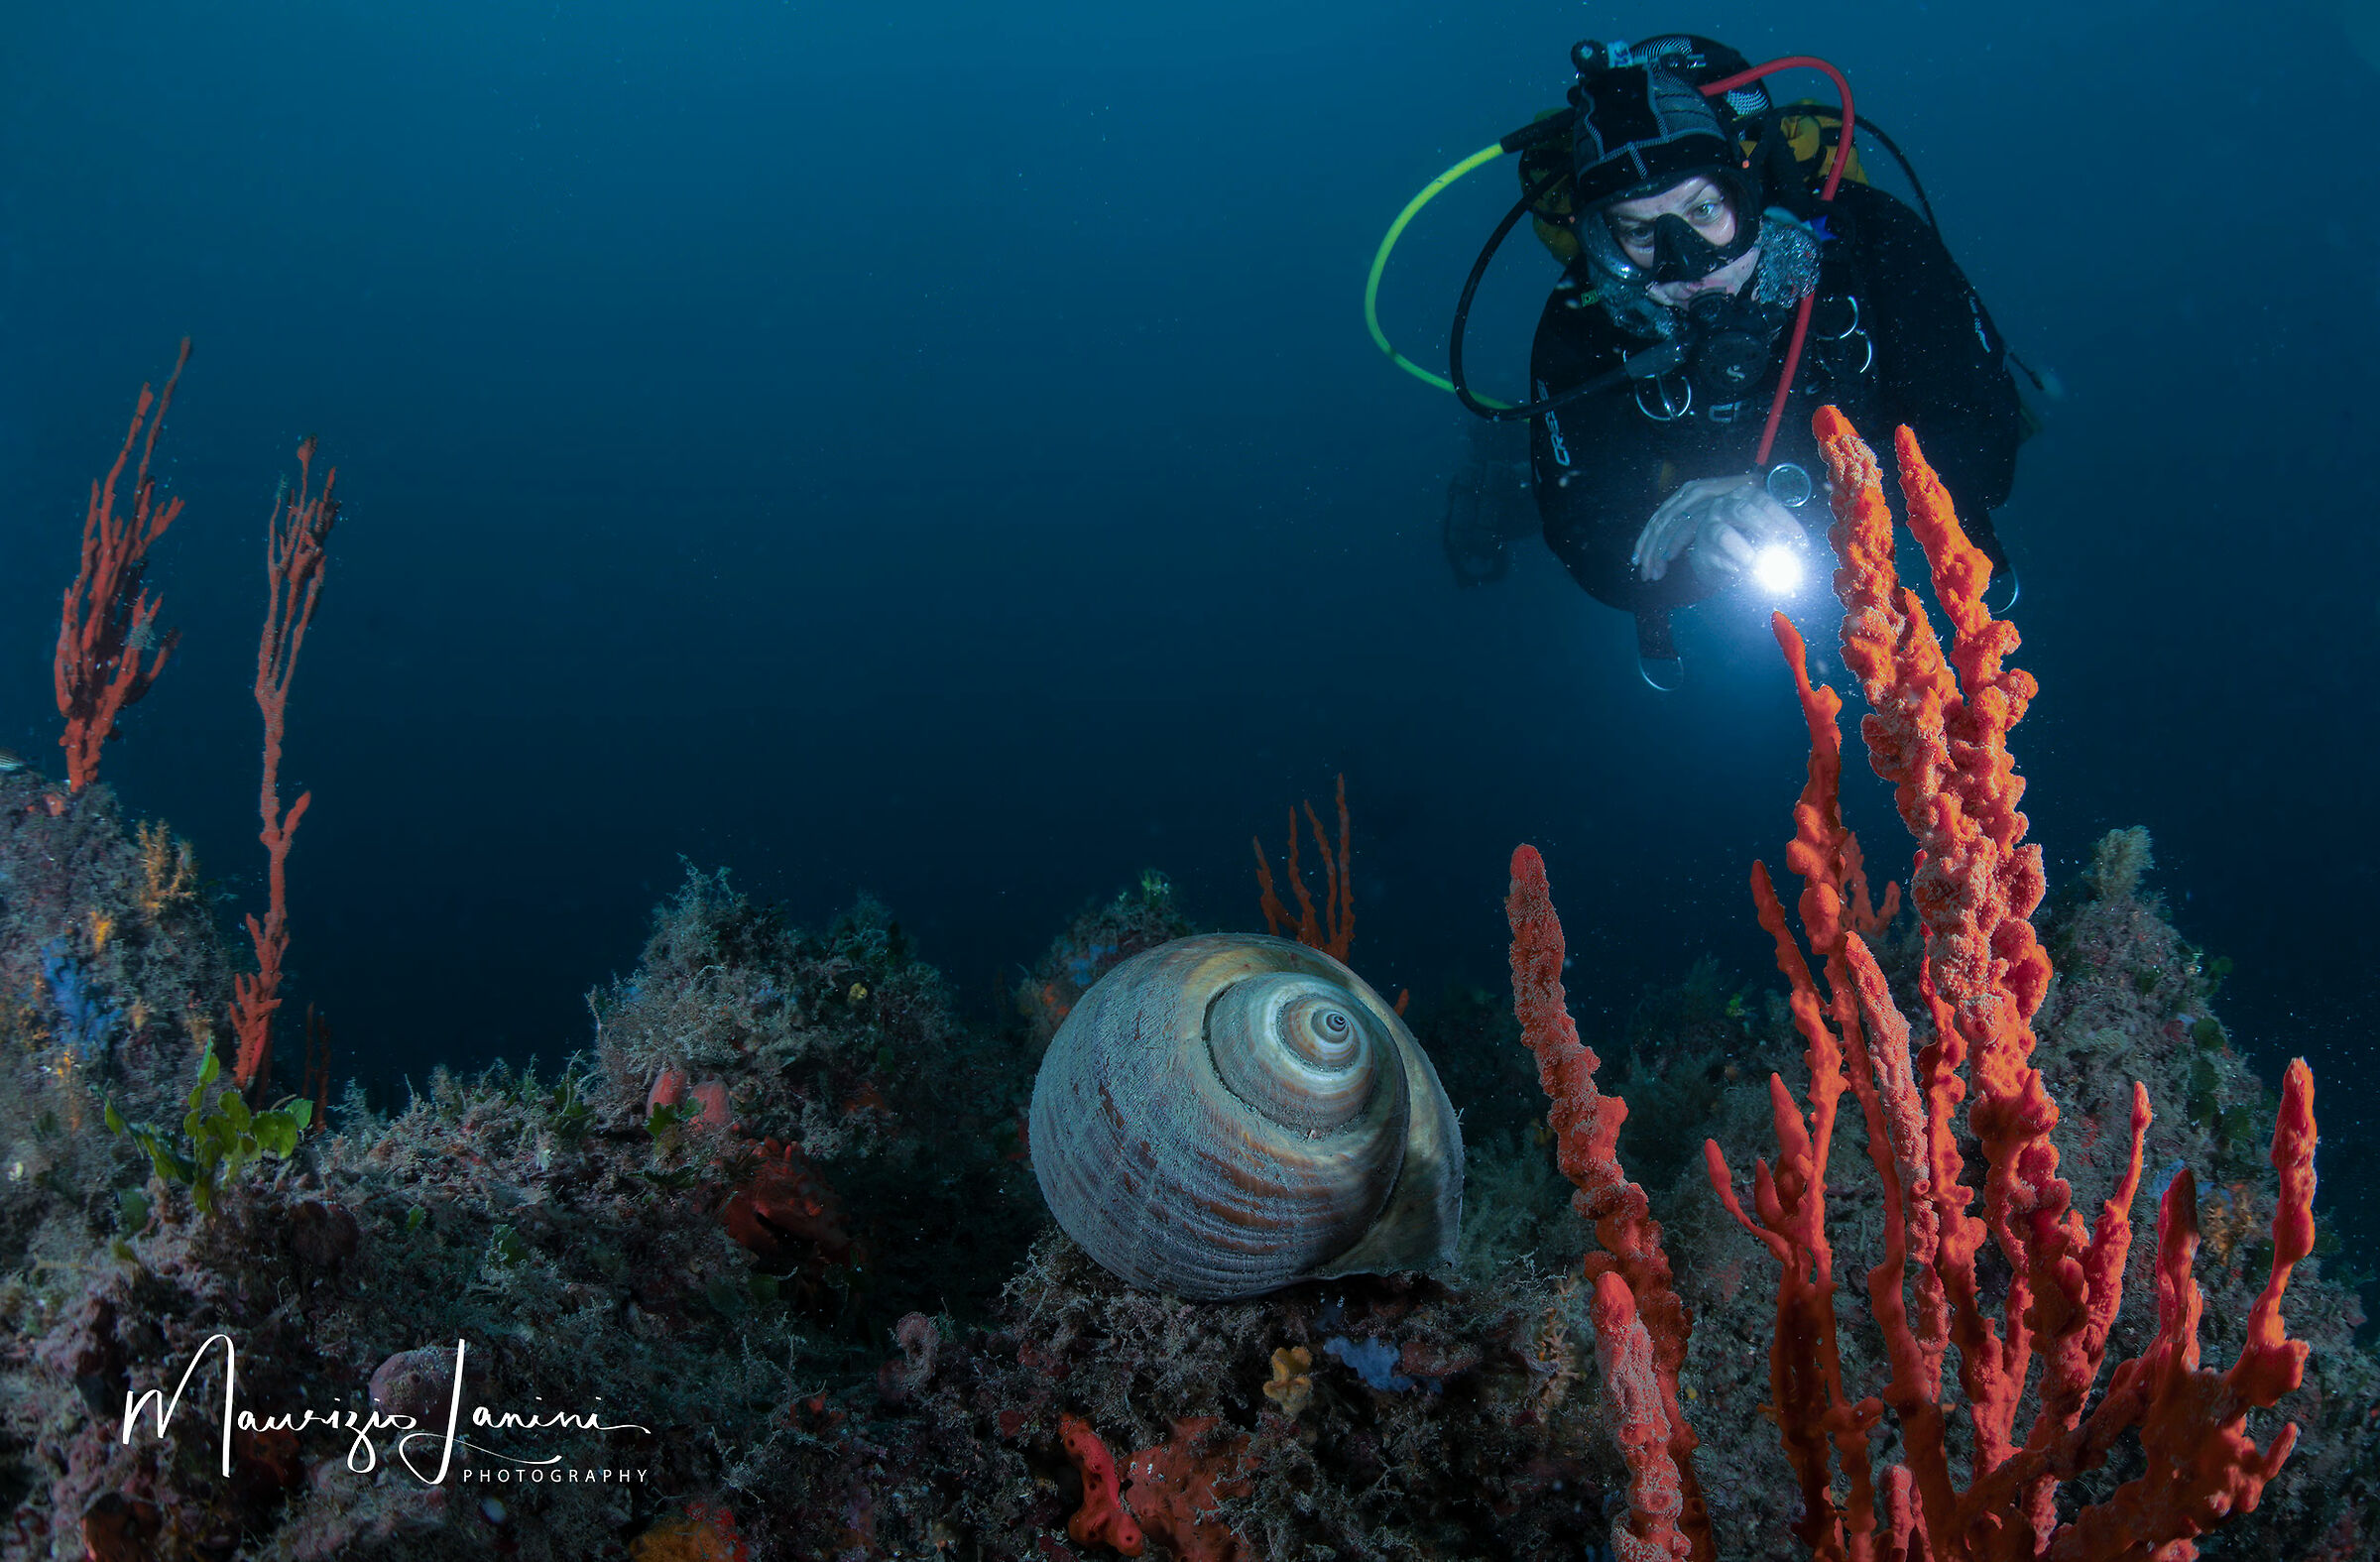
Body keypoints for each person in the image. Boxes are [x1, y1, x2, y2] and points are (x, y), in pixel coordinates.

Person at [1524, 37, 2023, 685]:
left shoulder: (1872, 239)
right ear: (1604, 243)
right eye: (1641, 233)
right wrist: (1698, 562)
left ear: (1747, 193)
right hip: (1736, 668)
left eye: (1704, 210)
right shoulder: (1578, 326)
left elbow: (1985, 445)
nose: (1685, 262)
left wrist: (1795, 496)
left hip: (1910, 599)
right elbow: (1583, 536)